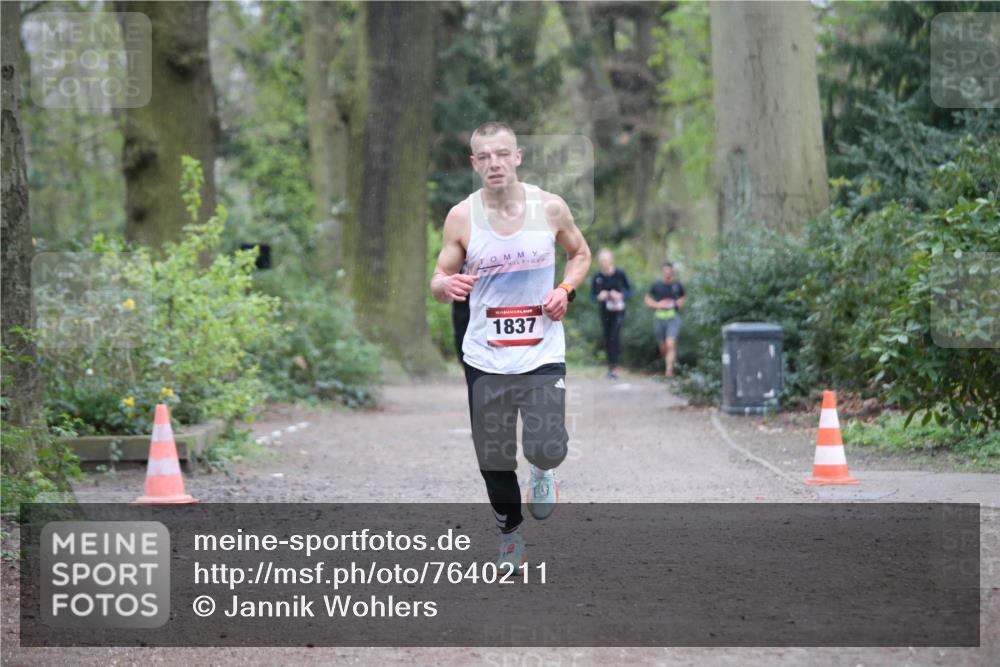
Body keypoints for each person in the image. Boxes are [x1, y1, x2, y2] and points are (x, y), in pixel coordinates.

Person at [430, 121, 591, 571]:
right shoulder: (462, 217)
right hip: (486, 356)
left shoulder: (550, 208)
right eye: (484, 156)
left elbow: (580, 254)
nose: (494, 163)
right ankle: (511, 538)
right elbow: (439, 278)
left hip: (542, 351)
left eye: (502, 154)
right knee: (495, 458)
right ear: (474, 163)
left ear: (518, 156)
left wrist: (565, 290)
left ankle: (542, 468)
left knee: (547, 446)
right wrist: (446, 286)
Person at [590, 248, 631, 379]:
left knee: (614, 336)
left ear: (611, 260)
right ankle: (611, 367)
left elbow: (630, 291)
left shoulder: (620, 274)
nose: (604, 263)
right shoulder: (597, 277)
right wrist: (599, 296)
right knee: (607, 338)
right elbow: (592, 296)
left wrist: (620, 295)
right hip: (604, 311)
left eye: (606, 260)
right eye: (602, 260)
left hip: (618, 311)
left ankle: (615, 367)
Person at [644, 261, 686, 378]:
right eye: (665, 270)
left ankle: (669, 370)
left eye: (669, 270)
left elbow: (683, 298)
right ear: (662, 271)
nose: (667, 273)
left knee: (670, 343)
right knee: (663, 347)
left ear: (672, 271)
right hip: (659, 318)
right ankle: (671, 361)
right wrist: (657, 305)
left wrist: (677, 303)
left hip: (673, 318)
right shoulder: (656, 285)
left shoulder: (677, 285)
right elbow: (647, 299)